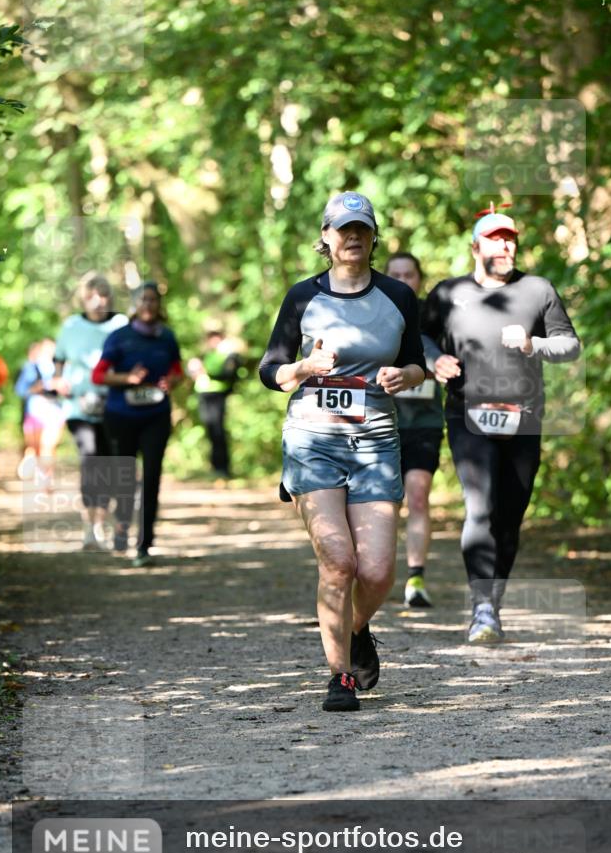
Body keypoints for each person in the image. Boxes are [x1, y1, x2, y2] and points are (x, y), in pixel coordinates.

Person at [259, 192, 426, 712]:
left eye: (363, 229)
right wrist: (306, 369)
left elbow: (418, 362)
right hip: (314, 439)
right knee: (338, 560)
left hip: (375, 440)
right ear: (326, 238)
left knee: (376, 572)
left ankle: (356, 630)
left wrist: (407, 375)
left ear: (374, 238)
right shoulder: (302, 297)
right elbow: (271, 371)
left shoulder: (398, 296)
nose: (353, 237)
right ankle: (340, 677)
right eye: (343, 229)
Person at [421, 205, 581, 645]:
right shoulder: (448, 293)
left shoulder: (537, 290)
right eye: (494, 238)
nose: (505, 245)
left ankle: (493, 599)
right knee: (481, 506)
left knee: (511, 516)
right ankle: (482, 607)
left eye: (509, 238)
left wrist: (534, 343)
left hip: (525, 418)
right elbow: (419, 335)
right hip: (467, 414)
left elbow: (570, 345)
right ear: (475, 247)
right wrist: (435, 359)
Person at [92, 281, 183, 567]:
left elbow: (178, 370)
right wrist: (126, 379)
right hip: (121, 416)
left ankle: (144, 543)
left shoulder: (167, 337)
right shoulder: (119, 337)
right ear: (134, 304)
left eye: (153, 300)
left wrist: (172, 381)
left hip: (155, 416)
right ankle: (121, 527)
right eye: (143, 300)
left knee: (152, 476)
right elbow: (98, 376)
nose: (148, 305)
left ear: (159, 305)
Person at [386, 253, 444, 608]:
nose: (403, 280)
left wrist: (436, 364)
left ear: (419, 279)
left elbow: (449, 356)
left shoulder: (433, 316)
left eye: (409, 274)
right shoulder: (372, 308)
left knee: (418, 496)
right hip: (379, 423)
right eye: (396, 274)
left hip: (423, 421)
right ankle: (379, 574)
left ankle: (416, 578)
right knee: (383, 503)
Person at [53, 272, 128, 550]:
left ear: (110, 297)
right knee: (90, 460)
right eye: (90, 296)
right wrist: (58, 379)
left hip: (114, 406)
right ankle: (90, 526)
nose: (97, 301)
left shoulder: (121, 325)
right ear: (83, 299)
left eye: (103, 295)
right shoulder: (70, 326)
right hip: (78, 406)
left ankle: (101, 523)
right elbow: (58, 360)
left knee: (108, 464)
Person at [187, 324, 242, 478]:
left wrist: (206, 372)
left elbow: (227, 374)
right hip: (203, 395)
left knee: (218, 431)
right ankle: (214, 467)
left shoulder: (228, 354)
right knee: (210, 431)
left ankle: (223, 468)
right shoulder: (207, 354)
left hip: (218, 395)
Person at [14, 338, 66, 480]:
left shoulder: (60, 367)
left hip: (54, 410)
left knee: (48, 446)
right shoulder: (31, 368)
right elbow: (20, 390)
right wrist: (43, 385)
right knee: (36, 447)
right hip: (35, 411)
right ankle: (39, 473)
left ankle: (46, 478)